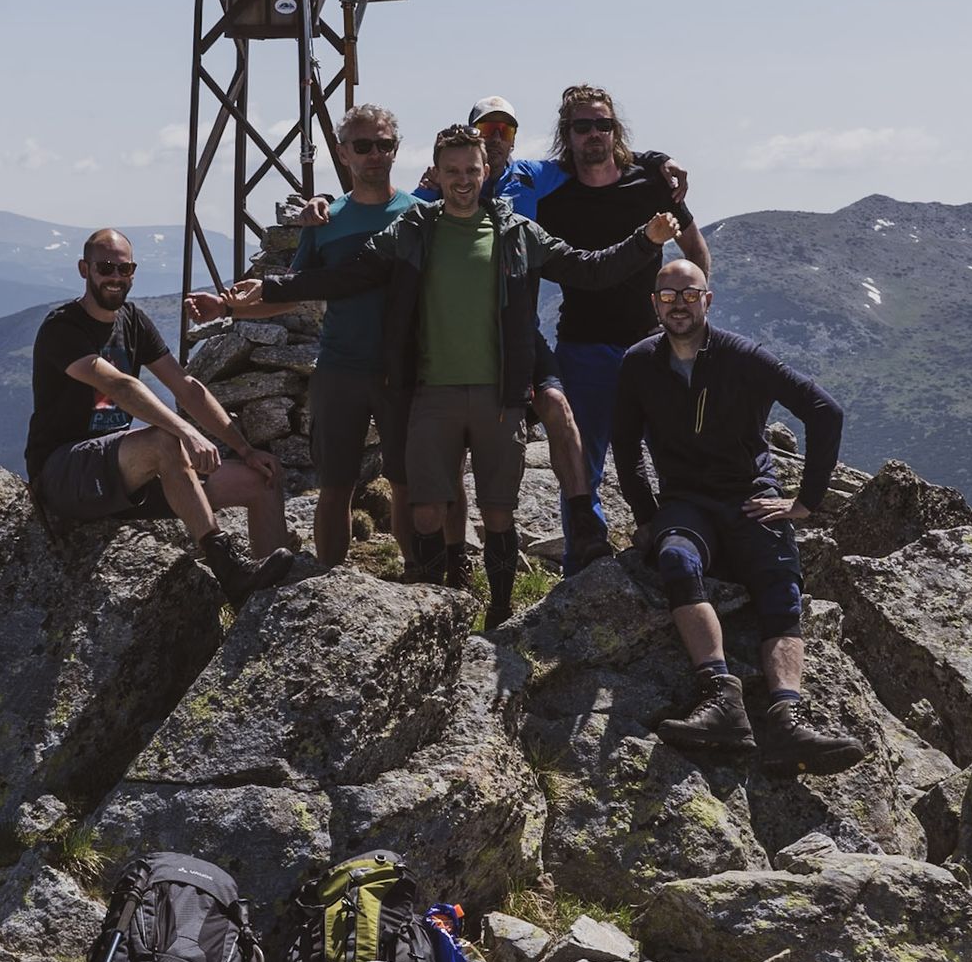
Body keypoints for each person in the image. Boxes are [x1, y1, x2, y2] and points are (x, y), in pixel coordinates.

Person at [232, 124, 679, 627]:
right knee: (426, 511)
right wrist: (269, 287)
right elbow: (347, 275)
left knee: (498, 515)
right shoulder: (414, 231)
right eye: (452, 171)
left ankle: (500, 613)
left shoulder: (516, 234)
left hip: (499, 396)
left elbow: (591, 268)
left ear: (486, 172)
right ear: (437, 174)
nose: (462, 180)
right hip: (431, 393)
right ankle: (433, 611)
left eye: (472, 170)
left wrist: (646, 240)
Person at [609, 259, 866, 775]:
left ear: (708, 299)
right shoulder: (639, 362)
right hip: (685, 502)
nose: (677, 302)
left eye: (688, 292)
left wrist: (805, 502)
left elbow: (824, 410)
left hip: (749, 496)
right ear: (654, 303)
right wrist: (646, 515)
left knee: (780, 589)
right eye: (666, 295)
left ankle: (787, 719)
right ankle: (722, 700)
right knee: (677, 562)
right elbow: (625, 444)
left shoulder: (742, 357)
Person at [185, 104, 418, 569]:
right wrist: (228, 306)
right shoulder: (327, 221)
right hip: (339, 370)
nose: (375, 155)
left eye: (384, 145)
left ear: (397, 149)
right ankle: (329, 580)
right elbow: (294, 292)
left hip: (403, 371)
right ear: (343, 152)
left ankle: (419, 577)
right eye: (363, 145)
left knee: (407, 483)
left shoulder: (419, 215)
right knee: (335, 486)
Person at [25, 228, 293, 606]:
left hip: (124, 471)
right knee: (164, 440)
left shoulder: (132, 320)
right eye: (106, 268)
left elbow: (187, 386)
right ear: (85, 269)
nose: (116, 277)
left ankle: (270, 603)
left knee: (260, 479)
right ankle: (229, 571)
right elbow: (117, 384)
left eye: (125, 268)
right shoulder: (62, 328)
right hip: (64, 472)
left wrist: (244, 449)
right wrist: (185, 431)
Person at [534, 86, 709, 554]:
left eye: (603, 124)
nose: (594, 134)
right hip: (583, 348)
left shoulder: (651, 184)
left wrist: (690, 322)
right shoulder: (555, 198)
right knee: (580, 468)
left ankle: (682, 549)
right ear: (566, 134)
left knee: (672, 457)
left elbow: (694, 251)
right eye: (583, 126)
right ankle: (584, 564)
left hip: (651, 347)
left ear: (616, 129)